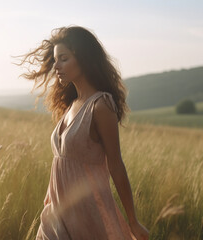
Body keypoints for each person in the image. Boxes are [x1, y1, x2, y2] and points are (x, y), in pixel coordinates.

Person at [19, 26, 149, 240]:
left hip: (88, 215)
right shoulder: (71, 105)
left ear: (83, 58)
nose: (57, 66)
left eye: (64, 58)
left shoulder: (100, 106)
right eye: (55, 60)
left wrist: (133, 221)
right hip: (57, 215)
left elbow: (116, 164)